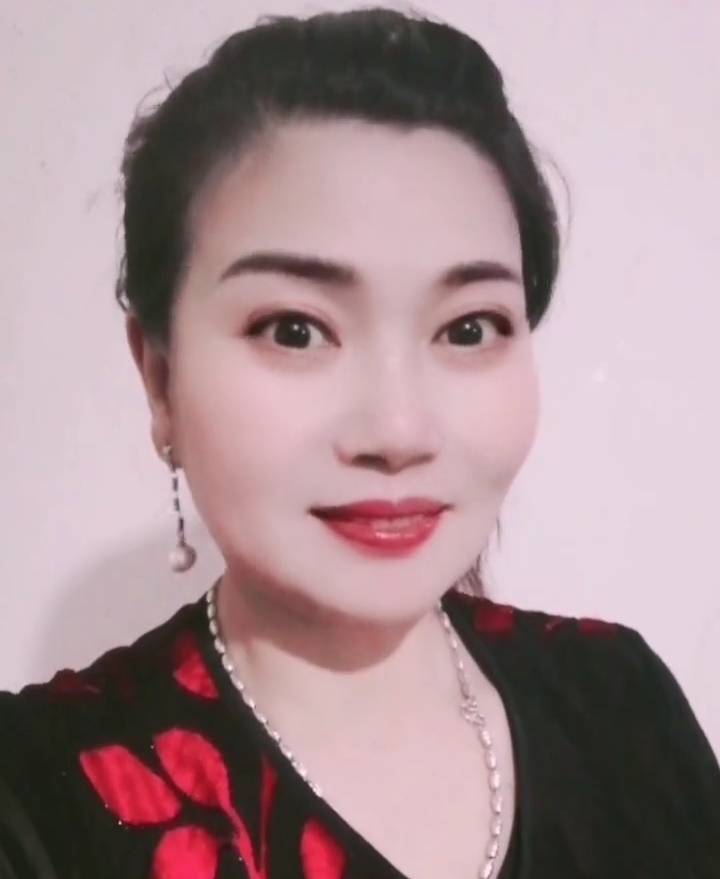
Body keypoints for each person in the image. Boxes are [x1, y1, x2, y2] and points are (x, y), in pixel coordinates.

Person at [1, 6, 718, 878]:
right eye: (295, 329)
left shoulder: (620, 704)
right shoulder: (37, 795)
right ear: (160, 377)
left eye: (468, 328)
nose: (398, 430)